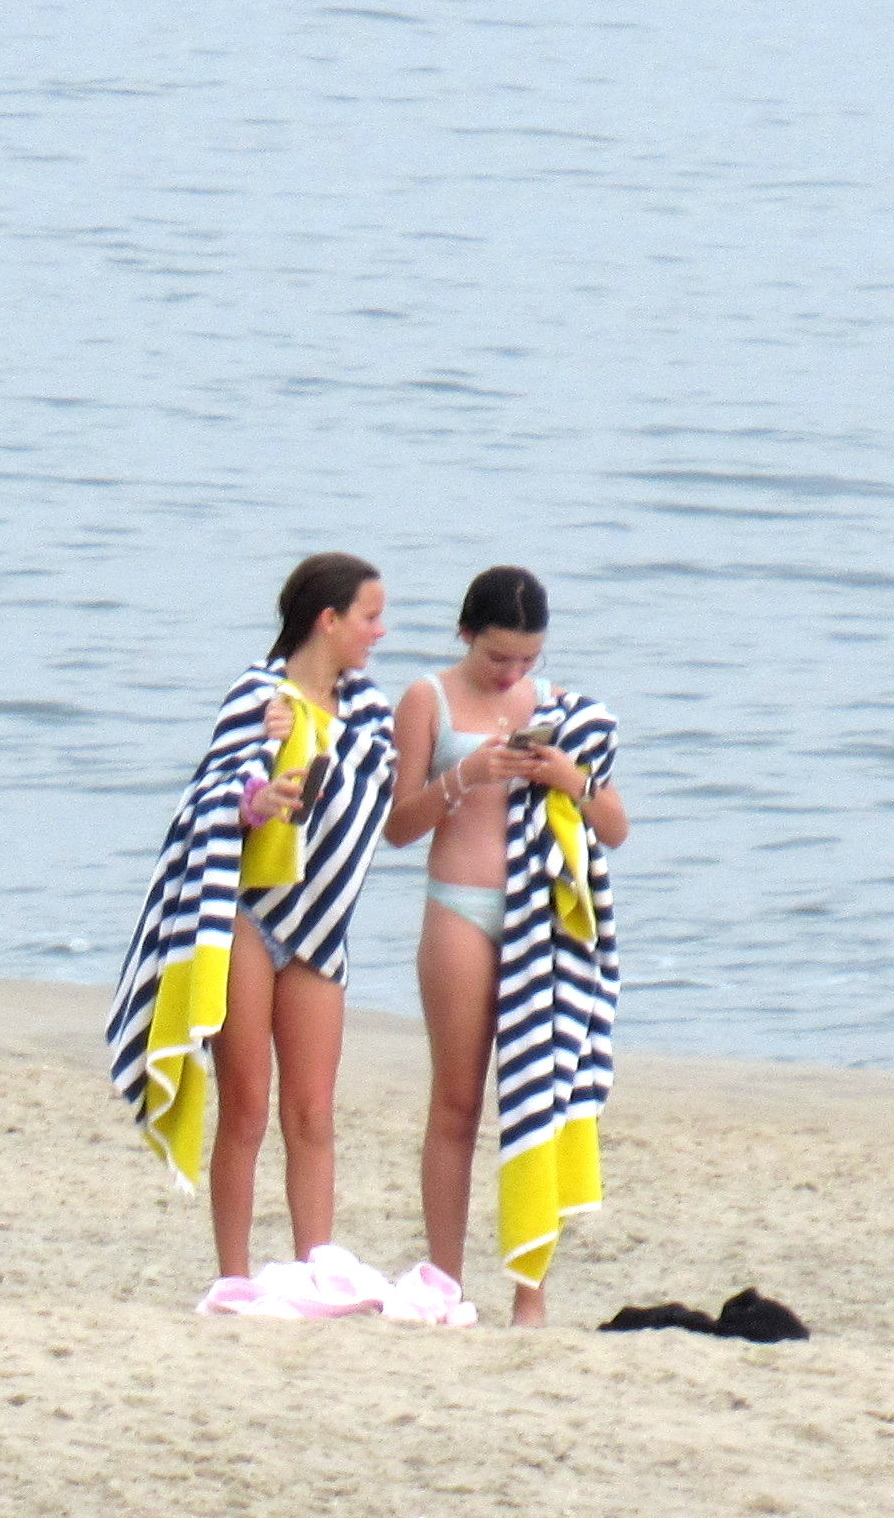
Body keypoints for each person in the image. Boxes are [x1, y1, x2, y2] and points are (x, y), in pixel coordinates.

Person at [106, 553, 396, 1283]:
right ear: (329, 621)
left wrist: (314, 734)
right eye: (369, 617)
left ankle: (313, 1273)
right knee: (247, 1108)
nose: (380, 633)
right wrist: (251, 800)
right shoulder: (255, 694)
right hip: (245, 915)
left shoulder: (368, 714)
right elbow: (207, 798)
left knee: (313, 1115)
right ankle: (233, 1277)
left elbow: (374, 800)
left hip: (318, 926)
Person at [386, 566, 628, 1329]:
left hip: (537, 918)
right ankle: (446, 1282)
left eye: (528, 659)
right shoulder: (428, 697)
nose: (514, 673)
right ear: (466, 635)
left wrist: (567, 777)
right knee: (456, 1101)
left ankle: (531, 1292)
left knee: (536, 1100)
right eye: (499, 659)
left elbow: (615, 829)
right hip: (459, 906)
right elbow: (397, 826)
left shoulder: (558, 709)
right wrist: (464, 775)